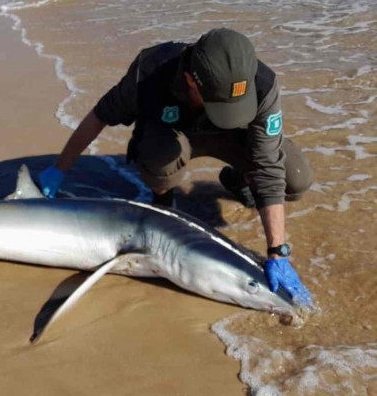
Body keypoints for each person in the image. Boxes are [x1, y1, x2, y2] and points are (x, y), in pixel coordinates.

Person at [38, 28, 313, 306]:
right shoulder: (150, 72)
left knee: (295, 178)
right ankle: (163, 200)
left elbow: (268, 164)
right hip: (173, 137)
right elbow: (99, 116)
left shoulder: (262, 84)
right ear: (190, 81)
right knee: (161, 155)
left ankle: (241, 180)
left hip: (232, 139)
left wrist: (277, 252)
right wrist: (59, 170)